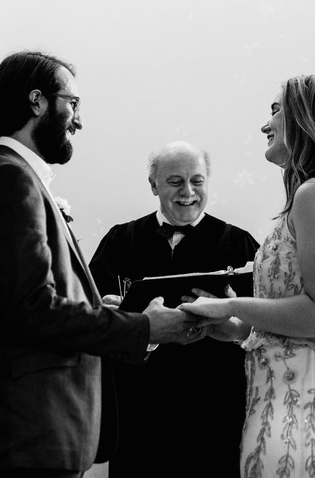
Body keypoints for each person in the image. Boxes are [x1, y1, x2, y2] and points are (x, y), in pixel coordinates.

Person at [0, 51, 198, 478]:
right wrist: (144, 328)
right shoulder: (8, 179)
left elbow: (28, 303)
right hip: (32, 434)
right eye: (72, 103)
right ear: (37, 101)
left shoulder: (16, 178)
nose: (78, 121)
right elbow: (33, 308)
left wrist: (99, 312)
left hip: (42, 433)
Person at [180, 75, 315, 478]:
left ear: (307, 118)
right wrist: (240, 329)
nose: (265, 124)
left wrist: (231, 305)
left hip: (313, 404)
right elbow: (306, 323)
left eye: (276, 110)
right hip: (291, 397)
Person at [89, 141, 260, 478]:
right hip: (138, 414)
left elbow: (264, 328)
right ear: (153, 185)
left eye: (197, 181)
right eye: (175, 182)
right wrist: (112, 311)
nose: (188, 192)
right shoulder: (119, 241)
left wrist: (233, 322)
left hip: (215, 413)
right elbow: (92, 321)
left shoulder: (240, 244)